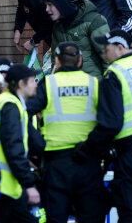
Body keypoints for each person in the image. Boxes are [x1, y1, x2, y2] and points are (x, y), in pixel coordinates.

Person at [81, 28, 132, 223]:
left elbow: (111, 123)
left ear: (119, 47)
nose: (103, 52)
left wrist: (88, 150)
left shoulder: (114, 73)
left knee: (131, 212)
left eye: (106, 48)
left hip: (130, 152)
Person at [26, 42, 104, 223]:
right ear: (80, 61)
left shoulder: (49, 83)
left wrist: (36, 144)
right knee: (91, 217)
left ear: (58, 62)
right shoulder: (94, 83)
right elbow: (107, 120)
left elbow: (24, 111)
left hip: (56, 162)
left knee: (56, 217)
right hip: (88, 160)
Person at [0, 64, 40, 222]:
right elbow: (13, 145)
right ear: (21, 84)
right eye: (33, 81)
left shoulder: (2, 100)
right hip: (5, 184)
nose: (36, 84)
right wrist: (29, 184)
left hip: (0, 182)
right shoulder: (11, 105)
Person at [42, 0, 109, 77]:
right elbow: (55, 60)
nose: (47, 9)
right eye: (46, 6)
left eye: (50, 5)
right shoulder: (57, 27)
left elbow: (108, 57)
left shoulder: (94, 21)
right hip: (68, 86)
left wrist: (109, 84)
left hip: (94, 84)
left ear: (60, 3)